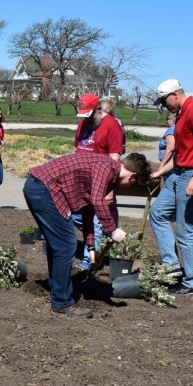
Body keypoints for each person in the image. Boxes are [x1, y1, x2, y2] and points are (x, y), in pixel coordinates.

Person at [23, 151, 151, 317]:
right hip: (44, 189)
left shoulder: (107, 174)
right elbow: (98, 201)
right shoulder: (107, 167)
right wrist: (112, 229)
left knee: (59, 245)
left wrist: (91, 247)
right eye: (134, 184)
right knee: (66, 246)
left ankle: (60, 290)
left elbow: (89, 210)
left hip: (40, 188)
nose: (130, 186)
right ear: (132, 176)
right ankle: (61, 302)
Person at [148, 79, 193, 295]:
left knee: (185, 229)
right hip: (178, 173)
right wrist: (160, 171)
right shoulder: (180, 115)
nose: (163, 104)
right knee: (157, 213)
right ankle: (172, 266)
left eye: (164, 99)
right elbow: (181, 154)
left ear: (175, 94)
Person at [71, 95, 124, 269]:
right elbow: (76, 148)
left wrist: (111, 189)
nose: (86, 119)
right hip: (80, 180)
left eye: (89, 115)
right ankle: (94, 242)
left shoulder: (112, 126)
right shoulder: (83, 123)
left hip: (99, 180)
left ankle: (90, 258)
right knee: (76, 216)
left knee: (94, 218)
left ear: (99, 109)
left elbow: (114, 159)